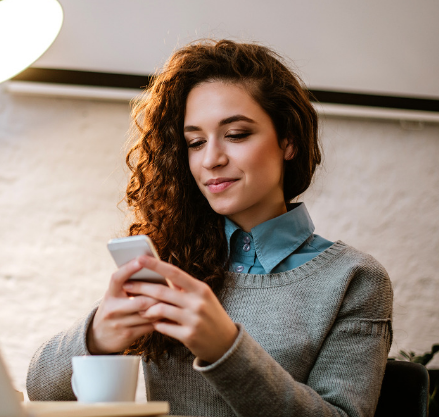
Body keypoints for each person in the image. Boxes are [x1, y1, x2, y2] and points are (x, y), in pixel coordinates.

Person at [26, 39, 393, 417]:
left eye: (236, 135)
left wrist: (225, 349)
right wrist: (97, 335)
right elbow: (40, 390)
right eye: (195, 142)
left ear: (289, 140)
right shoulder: (177, 258)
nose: (211, 159)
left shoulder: (354, 280)